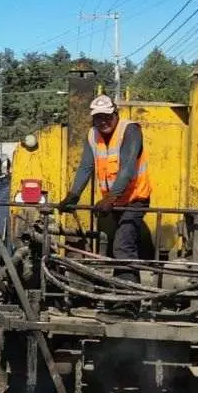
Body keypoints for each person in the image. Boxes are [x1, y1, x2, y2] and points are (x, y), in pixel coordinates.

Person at [59, 94, 152, 281]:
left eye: (107, 116)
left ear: (115, 114)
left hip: (135, 199)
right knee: (115, 247)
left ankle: (128, 303)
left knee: (123, 246)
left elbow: (127, 167)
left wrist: (111, 198)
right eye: (98, 117)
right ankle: (118, 291)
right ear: (93, 118)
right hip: (115, 202)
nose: (103, 121)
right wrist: (73, 195)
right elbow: (86, 167)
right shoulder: (92, 135)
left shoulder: (130, 130)